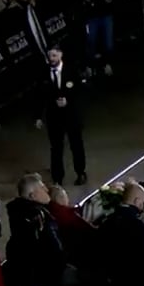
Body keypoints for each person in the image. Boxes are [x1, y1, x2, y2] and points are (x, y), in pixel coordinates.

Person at [41, 45, 86, 185]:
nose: (51, 59)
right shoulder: (43, 72)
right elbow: (38, 95)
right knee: (56, 148)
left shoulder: (71, 70)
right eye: (49, 56)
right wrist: (37, 116)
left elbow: (79, 89)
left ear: (60, 55)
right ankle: (57, 178)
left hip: (71, 115)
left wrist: (68, 99)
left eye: (54, 56)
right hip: (54, 117)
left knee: (76, 145)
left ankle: (80, 172)